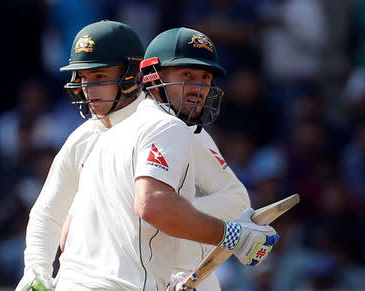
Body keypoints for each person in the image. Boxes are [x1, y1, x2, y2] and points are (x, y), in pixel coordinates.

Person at [55, 27, 279, 290]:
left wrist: (161, 278)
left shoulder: (109, 136)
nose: (199, 88)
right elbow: (153, 205)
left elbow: (68, 235)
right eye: (187, 75)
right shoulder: (168, 126)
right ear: (153, 77)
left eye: (205, 77)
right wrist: (232, 236)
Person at [15, 20, 146, 291]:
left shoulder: (167, 129)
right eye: (83, 78)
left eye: (100, 77)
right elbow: (48, 214)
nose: (89, 88)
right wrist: (36, 269)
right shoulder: (83, 137)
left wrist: (221, 232)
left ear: (131, 73)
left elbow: (231, 198)